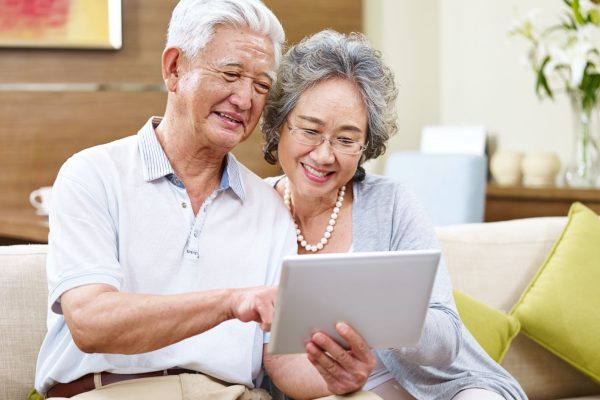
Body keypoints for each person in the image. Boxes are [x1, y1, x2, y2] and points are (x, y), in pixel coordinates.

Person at [34, 1, 298, 399]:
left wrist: (344, 375)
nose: (245, 100)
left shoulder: (270, 207)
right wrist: (230, 302)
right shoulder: (92, 174)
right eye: (230, 74)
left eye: (261, 85)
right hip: (111, 393)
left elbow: (283, 364)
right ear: (174, 68)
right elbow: (91, 323)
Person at [260, 30, 528, 400]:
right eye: (310, 131)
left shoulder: (391, 203)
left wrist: (380, 315)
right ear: (278, 126)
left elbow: (446, 339)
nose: (324, 155)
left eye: (346, 139)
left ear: (366, 145)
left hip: (448, 388)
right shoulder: (251, 210)